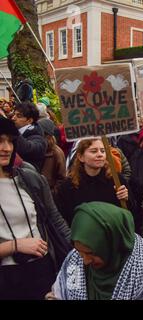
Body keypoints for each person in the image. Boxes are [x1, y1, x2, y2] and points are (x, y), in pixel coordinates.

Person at [50, 201, 143, 300]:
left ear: (111, 243)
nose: (84, 260)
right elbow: (58, 293)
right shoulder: (75, 260)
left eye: (91, 253)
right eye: (80, 252)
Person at [0, 117, 71, 300]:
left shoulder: (30, 179)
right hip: (6, 279)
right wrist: (14, 246)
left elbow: (55, 219)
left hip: (43, 270)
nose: (6, 148)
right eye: (0, 141)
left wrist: (78, 249)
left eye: (10, 141)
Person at [54, 138, 132, 226]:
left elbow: (130, 212)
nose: (100, 155)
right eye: (94, 151)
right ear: (80, 157)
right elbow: (63, 217)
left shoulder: (116, 180)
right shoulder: (68, 186)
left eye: (102, 151)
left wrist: (126, 199)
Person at [11, 102, 47, 171]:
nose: (13, 118)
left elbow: (27, 149)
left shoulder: (39, 138)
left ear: (29, 120)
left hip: (26, 179)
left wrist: (12, 129)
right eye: (14, 114)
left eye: (19, 116)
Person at [37, 118, 66, 194]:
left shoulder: (56, 153)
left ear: (48, 136)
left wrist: (51, 194)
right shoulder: (38, 148)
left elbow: (62, 179)